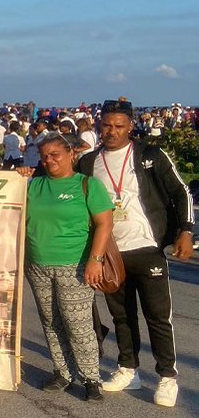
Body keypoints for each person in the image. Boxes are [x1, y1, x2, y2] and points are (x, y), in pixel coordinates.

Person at [80, 99, 194, 407]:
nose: (111, 132)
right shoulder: (89, 162)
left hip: (147, 247)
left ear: (131, 127)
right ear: (98, 125)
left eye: (119, 126)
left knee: (157, 316)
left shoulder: (150, 156)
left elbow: (179, 191)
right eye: (106, 125)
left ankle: (167, 376)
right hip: (111, 252)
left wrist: (186, 229)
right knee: (121, 315)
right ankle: (128, 368)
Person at [23, 135, 113, 401]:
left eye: (55, 154)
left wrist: (95, 260)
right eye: (44, 156)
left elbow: (104, 224)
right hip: (37, 265)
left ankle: (91, 378)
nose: (49, 160)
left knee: (78, 324)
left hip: (74, 264)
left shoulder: (86, 185)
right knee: (51, 322)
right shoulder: (33, 185)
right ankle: (63, 371)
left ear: (71, 154)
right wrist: (18, 176)